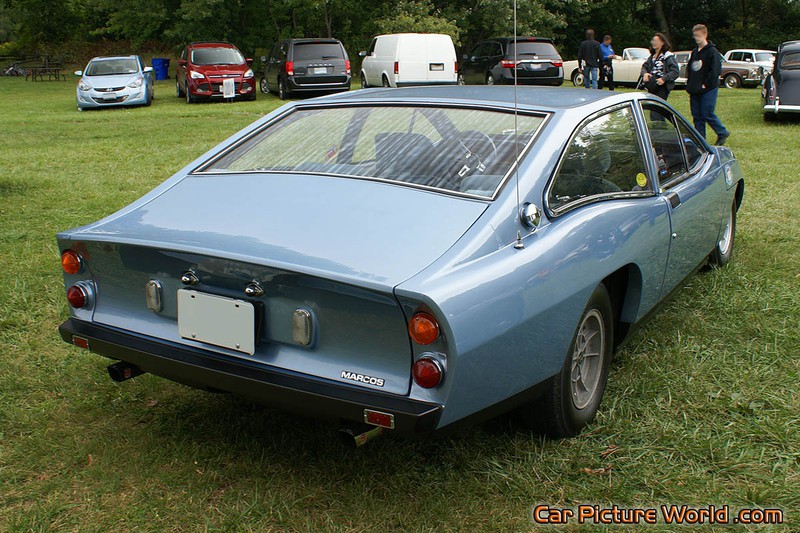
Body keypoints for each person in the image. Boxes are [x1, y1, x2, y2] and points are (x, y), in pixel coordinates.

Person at [686, 24, 730, 145]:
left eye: (699, 36)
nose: (696, 38)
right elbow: (690, 69)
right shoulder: (694, 52)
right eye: (695, 36)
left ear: (705, 35)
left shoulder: (712, 52)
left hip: (708, 89)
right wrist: (690, 84)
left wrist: (706, 84)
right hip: (695, 89)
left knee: (707, 113)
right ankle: (700, 140)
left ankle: (722, 132)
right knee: (697, 115)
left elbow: (715, 70)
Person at [641, 33, 679, 101]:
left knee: (658, 108)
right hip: (652, 85)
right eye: (653, 41)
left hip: (662, 87)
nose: (654, 43)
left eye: (656, 41)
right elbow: (644, 67)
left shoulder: (668, 56)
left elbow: (675, 72)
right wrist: (645, 74)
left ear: (662, 42)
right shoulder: (651, 57)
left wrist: (664, 79)